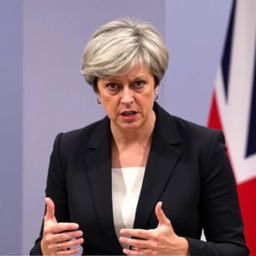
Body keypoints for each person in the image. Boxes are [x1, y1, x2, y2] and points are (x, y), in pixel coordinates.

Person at [30, 18, 249, 256]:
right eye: (113, 86)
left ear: (156, 84)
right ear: (97, 89)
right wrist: (45, 249)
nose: (126, 98)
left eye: (138, 84)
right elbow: (45, 245)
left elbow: (235, 250)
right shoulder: (69, 149)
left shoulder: (202, 147)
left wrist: (184, 249)